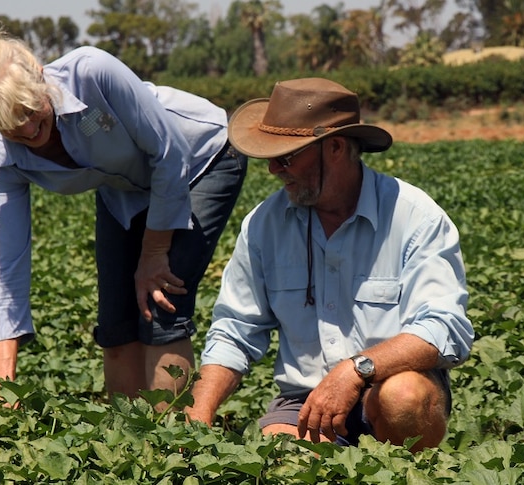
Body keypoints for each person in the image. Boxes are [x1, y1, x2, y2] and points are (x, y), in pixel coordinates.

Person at [0, 20, 246, 402]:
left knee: (161, 303)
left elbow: (168, 154)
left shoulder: (91, 72)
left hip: (200, 159)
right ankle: (126, 443)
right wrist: (0, 381)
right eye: (10, 125)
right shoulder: (1, 155)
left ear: (40, 79)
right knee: (116, 320)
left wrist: (153, 254)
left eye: (29, 109)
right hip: (124, 189)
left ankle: (175, 448)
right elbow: (7, 261)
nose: (26, 128)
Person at [185, 78, 473, 451]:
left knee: (404, 397)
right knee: (280, 464)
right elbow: (236, 329)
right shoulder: (264, 225)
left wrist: (356, 371)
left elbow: (444, 328)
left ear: (335, 147)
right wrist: (199, 412)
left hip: (385, 390)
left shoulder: (414, 218)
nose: (273, 168)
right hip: (304, 404)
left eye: (287, 156)